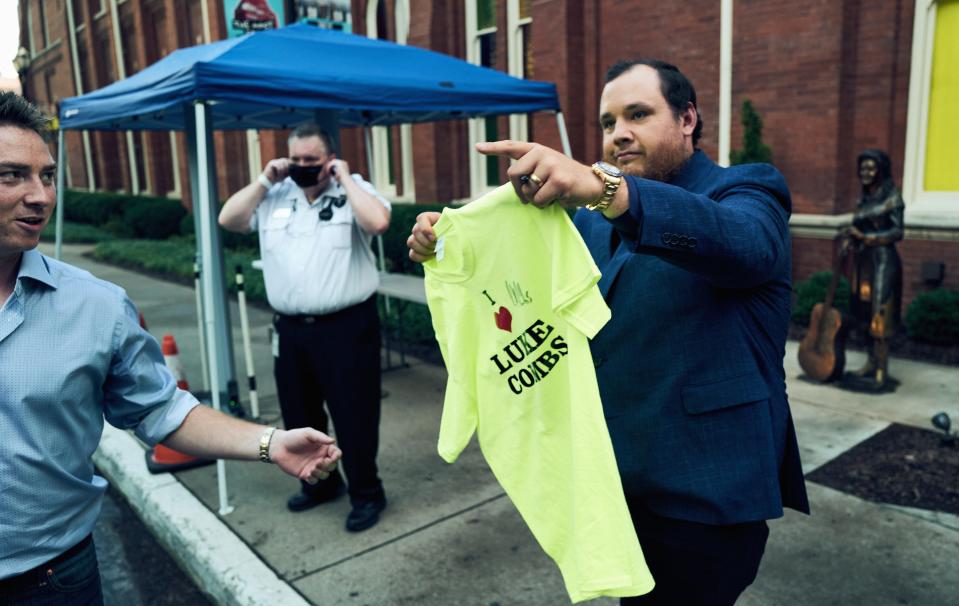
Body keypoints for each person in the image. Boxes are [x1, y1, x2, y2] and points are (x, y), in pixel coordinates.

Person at [408, 59, 810, 605]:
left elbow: (742, 244)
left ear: (687, 118)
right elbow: (528, 277)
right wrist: (452, 244)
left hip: (707, 497)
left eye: (638, 114)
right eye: (606, 122)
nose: (618, 133)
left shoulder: (746, 190)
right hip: (614, 488)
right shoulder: (589, 222)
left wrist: (605, 189)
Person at [0, 92, 341, 605]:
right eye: (12, 175)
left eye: (47, 176)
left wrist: (270, 444)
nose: (42, 196)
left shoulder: (96, 306)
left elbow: (162, 409)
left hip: (51, 581)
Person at [219, 122, 390, 531]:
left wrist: (345, 178)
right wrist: (265, 179)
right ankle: (320, 484)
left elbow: (378, 222)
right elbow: (229, 218)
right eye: (294, 159)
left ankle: (367, 493)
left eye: (310, 160)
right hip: (292, 332)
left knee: (355, 417)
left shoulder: (353, 190)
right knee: (300, 416)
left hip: (347, 328)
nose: (300, 166)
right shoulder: (274, 195)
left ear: (329, 160)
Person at [843, 149, 904, 390]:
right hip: (864, 262)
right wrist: (853, 240)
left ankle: (881, 369)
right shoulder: (864, 199)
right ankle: (870, 362)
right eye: (863, 168)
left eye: (870, 168)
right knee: (864, 312)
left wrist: (867, 237)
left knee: (880, 312)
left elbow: (898, 232)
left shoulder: (892, 198)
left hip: (883, 262)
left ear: (881, 170)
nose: (865, 173)